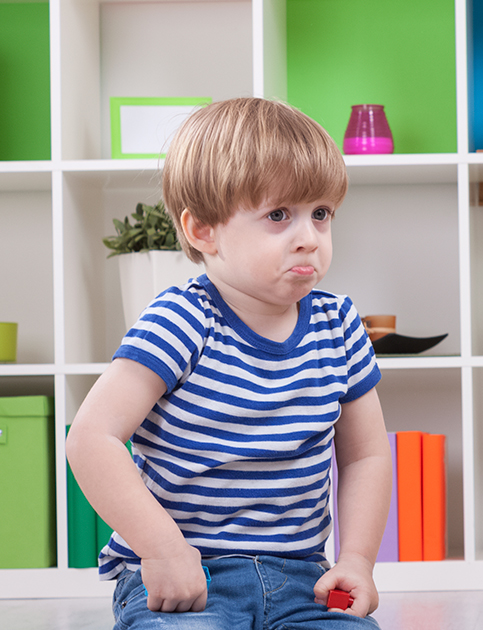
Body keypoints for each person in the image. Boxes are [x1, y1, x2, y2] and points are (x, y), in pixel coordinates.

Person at [65, 97, 393, 628]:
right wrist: (163, 551)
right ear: (203, 231)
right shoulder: (182, 320)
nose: (308, 237)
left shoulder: (339, 326)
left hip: (302, 579)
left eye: (321, 214)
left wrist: (356, 560)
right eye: (279, 215)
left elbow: (365, 456)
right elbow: (90, 438)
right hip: (188, 578)